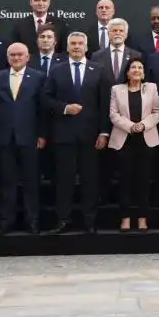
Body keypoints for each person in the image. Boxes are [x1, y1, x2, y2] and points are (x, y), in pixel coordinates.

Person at [43, 31, 111, 234]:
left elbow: (105, 104)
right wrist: (65, 108)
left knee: (90, 180)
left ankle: (89, 221)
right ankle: (63, 220)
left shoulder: (98, 70)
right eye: (73, 43)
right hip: (64, 135)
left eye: (80, 43)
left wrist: (104, 132)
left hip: (91, 136)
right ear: (67, 47)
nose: (76, 47)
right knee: (64, 180)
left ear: (86, 47)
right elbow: (46, 99)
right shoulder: (56, 70)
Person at [0, 43, 47, 235]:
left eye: (20, 55)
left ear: (27, 57)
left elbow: (43, 109)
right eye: (12, 55)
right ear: (7, 57)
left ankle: (32, 221)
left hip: (30, 137)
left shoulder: (39, 77)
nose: (16, 58)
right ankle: (6, 222)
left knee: (31, 182)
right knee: (6, 182)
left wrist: (42, 134)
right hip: (4, 138)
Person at [108, 58, 159, 232]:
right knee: (125, 181)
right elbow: (113, 114)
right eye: (133, 67)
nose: (137, 70)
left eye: (140, 67)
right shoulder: (117, 89)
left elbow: (157, 112)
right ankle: (125, 218)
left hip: (146, 140)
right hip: (124, 141)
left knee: (143, 181)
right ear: (127, 72)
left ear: (144, 73)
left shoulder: (151, 88)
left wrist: (143, 125)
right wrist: (131, 126)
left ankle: (142, 218)